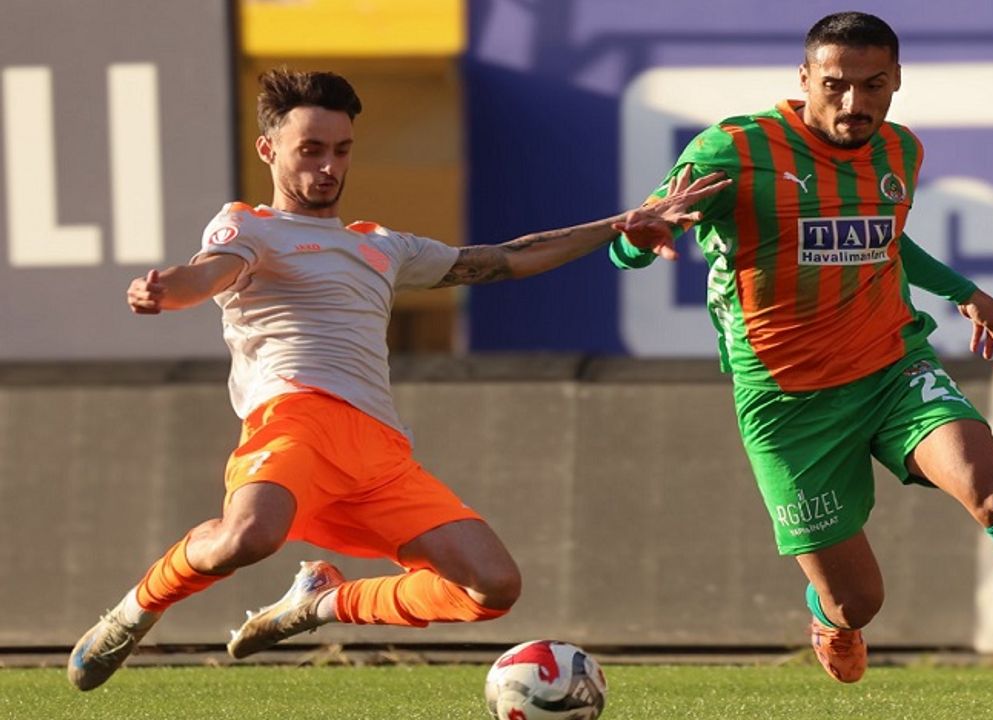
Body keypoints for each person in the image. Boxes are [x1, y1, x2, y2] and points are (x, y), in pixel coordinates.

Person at [67, 68, 729, 692]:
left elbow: (506, 258)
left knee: (492, 588)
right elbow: (207, 272)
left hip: (377, 451)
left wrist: (622, 224)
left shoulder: (382, 247)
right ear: (268, 150)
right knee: (248, 537)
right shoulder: (250, 227)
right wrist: (168, 291)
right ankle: (133, 612)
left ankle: (322, 603)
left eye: (341, 150)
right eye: (310, 150)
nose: (328, 167)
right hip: (295, 423)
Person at [610, 12, 993, 718]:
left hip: (893, 367)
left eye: (873, 85)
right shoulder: (734, 148)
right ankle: (832, 618)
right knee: (857, 601)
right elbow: (634, 239)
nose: (854, 103)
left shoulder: (900, 150)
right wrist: (639, 240)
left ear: (897, 79)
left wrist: (963, 292)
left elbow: (885, 237)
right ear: (805, 78)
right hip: (788, 403)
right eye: (835, 85)